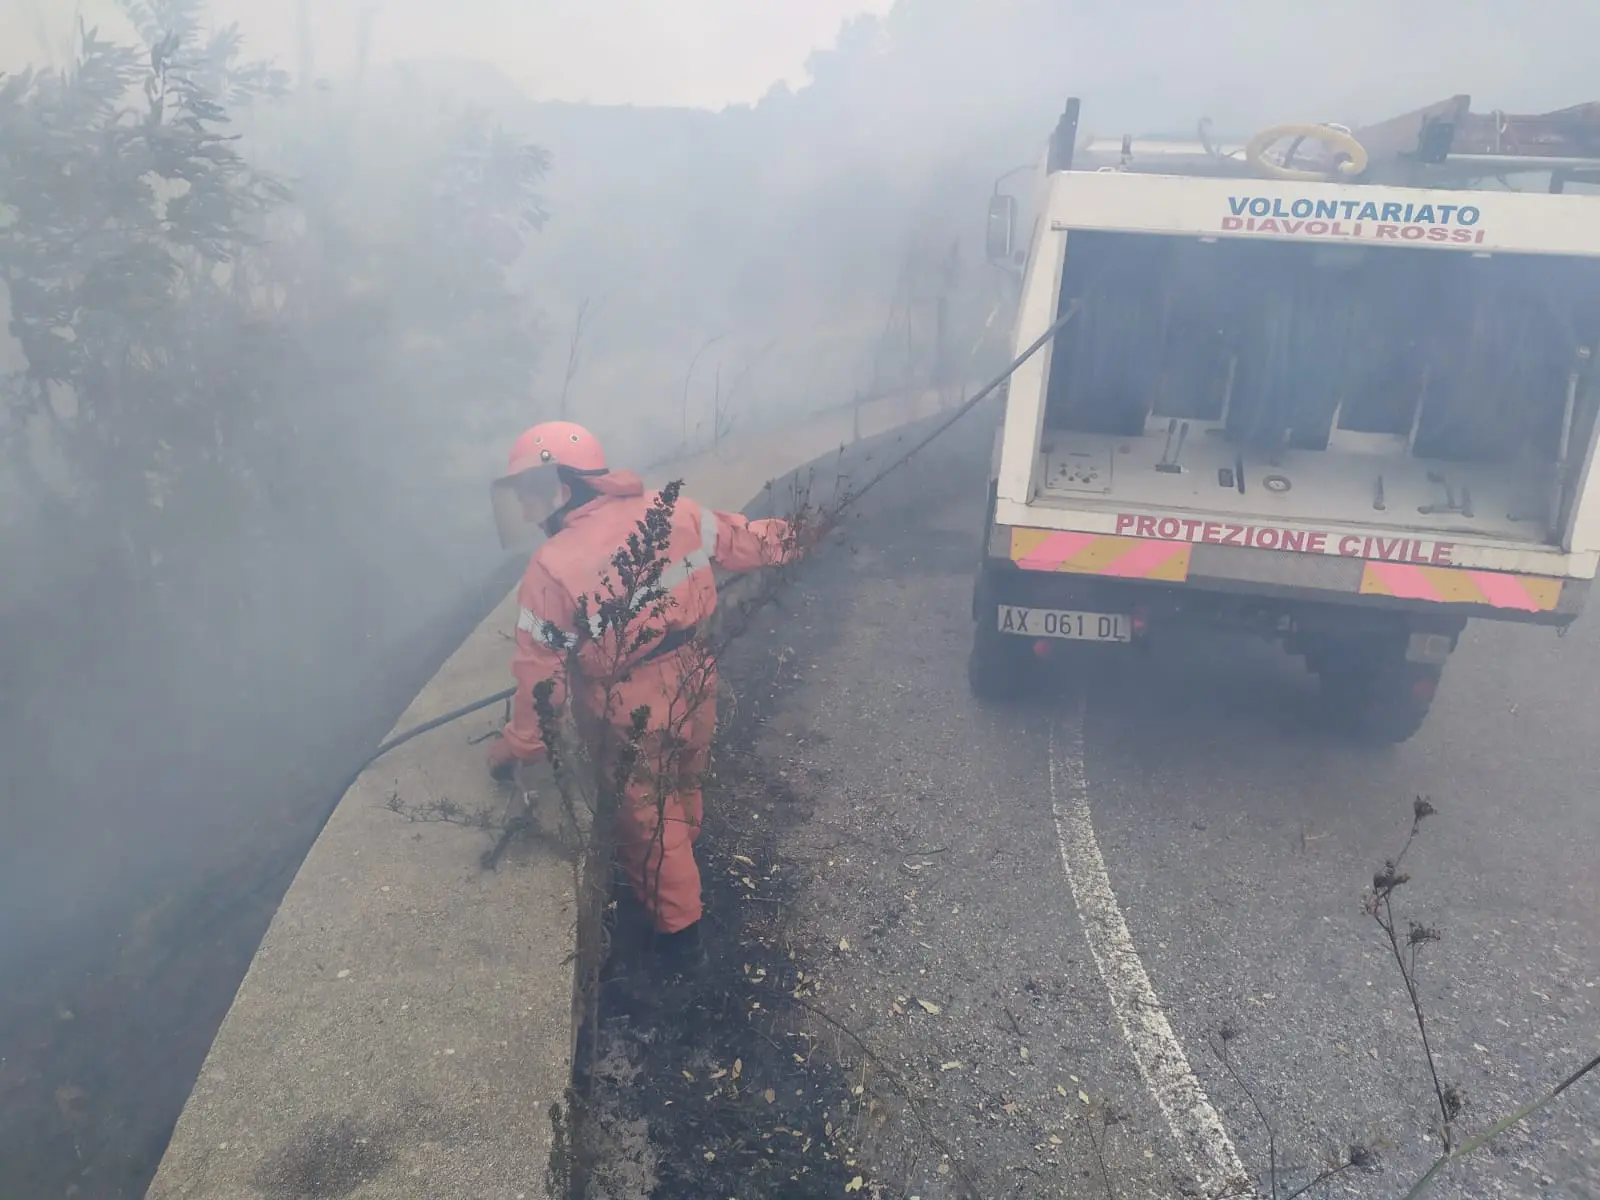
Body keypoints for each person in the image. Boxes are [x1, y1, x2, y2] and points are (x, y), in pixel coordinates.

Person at [485, 420, 809, 966]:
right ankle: (686, 866)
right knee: (684, 782)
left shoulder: (551, 568)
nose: (526, 511)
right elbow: (743, 541)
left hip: (626, 709)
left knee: (647, 826)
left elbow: (541, 680)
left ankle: (680, 941)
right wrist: (810, 529)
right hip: (692, 679)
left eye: (533, 494)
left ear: (569, 485)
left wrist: (514, 750)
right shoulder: (672, 511)